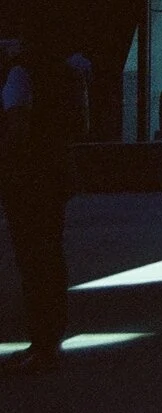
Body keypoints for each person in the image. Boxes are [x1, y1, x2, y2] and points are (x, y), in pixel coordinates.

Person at [1, 29, 89, 376]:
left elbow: (18, 130)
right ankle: (52, 335)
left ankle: (41, 341)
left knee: (31, 261)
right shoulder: (70, 72)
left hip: (26, 180)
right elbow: (80, 126)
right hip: (55, 175)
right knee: (51, 255)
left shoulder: (20, 76)